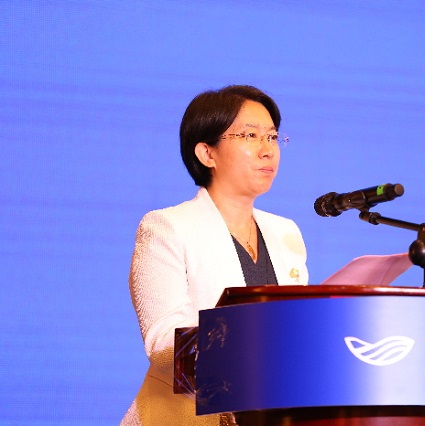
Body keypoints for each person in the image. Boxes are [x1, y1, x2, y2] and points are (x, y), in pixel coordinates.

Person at [121, 85, 309, 425]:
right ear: (207, 153)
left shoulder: (285, 232)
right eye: (250, 135)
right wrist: (251, 337)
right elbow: (164, 346)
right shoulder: (166, 227)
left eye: (272, 137)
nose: (267, 150)